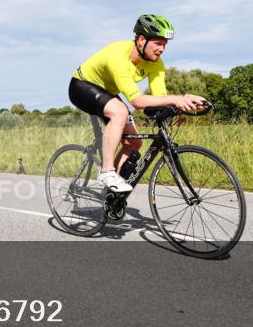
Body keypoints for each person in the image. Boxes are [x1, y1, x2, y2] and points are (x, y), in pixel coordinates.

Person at [68, 14, 206, 193]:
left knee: (134, 143)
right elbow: (137, 101)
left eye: (165, 44)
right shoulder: (118, 55)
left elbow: (160, 97)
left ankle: (110, 195)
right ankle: (107, 171)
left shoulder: (156, 63)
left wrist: (184, 103)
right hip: (82, 86)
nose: (162, 49)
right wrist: (176, 98)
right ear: (141, 40)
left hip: (107, 92)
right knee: (120, 112)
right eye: (158, 43)